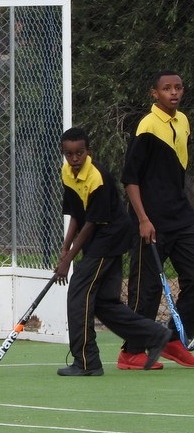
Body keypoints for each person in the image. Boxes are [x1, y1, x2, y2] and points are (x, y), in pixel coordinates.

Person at [54, 127, 170, 376]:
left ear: (89, 152)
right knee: (105, 304)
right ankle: (156, 334)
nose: (74, 159)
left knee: (79, 293)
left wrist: (69, 261)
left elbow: (91, 223)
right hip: (98, 236)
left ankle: (86, 362)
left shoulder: (98, 178)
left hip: (109, 237)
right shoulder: (67, 173)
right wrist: (64, 249)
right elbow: (77, 213)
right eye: (69, 154)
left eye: (80, 153)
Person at [118, 70, 194, 369]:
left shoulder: (184, 121)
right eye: (166, 89)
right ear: (155, 93)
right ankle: (131, 352)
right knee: (146, 288)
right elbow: (131, 179)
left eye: (178, 88)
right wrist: (143, 219)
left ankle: (174, 339)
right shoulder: (147, 127)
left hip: (181, 216)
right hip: (149, 221)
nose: (173, 93)